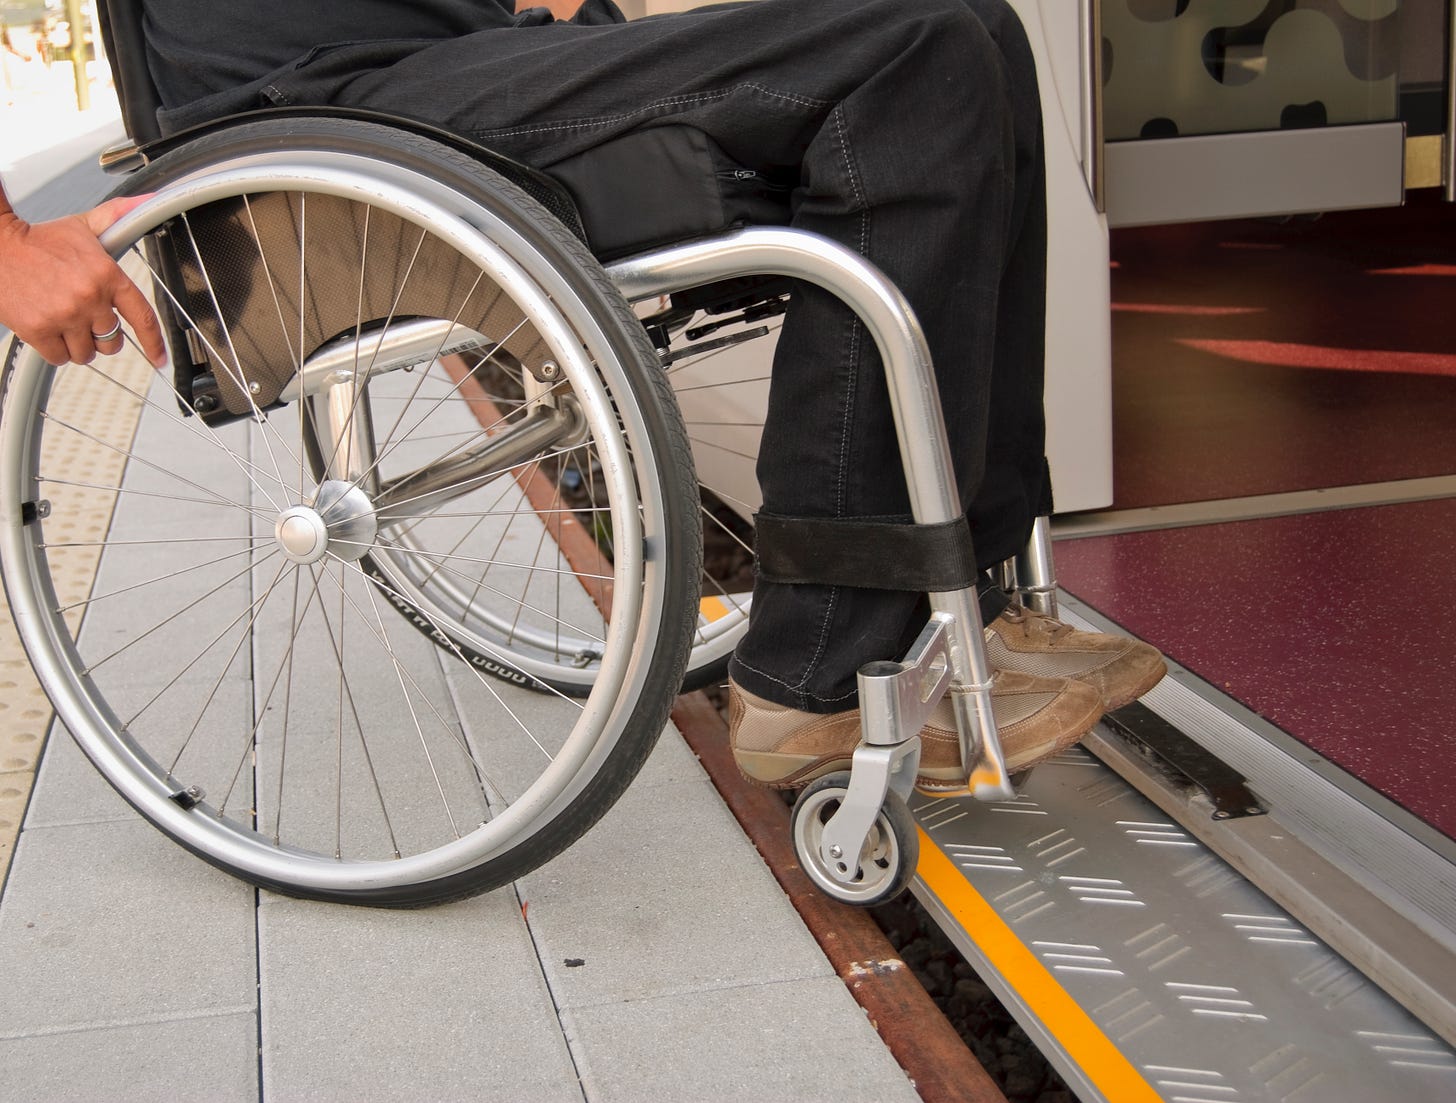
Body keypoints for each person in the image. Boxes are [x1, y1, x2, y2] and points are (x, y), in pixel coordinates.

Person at [0, 0, 1164, 793]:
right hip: (326, 116)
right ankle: (824, 671)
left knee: (980, 23)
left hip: (443, 68)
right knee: (915, 50)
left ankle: (983, 596)